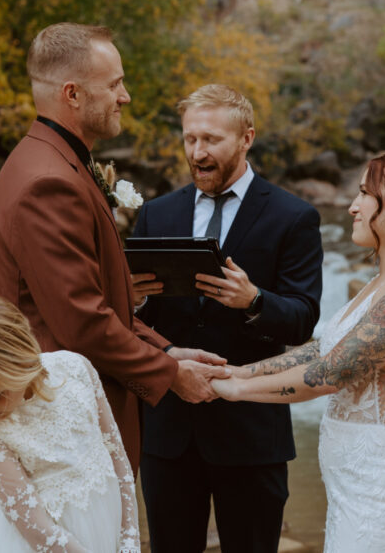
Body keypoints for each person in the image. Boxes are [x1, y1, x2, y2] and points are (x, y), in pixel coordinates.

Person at [0, 22, 227, 473]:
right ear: (72, 94)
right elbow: (81, 321)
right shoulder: (48, 183)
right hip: (63, 417)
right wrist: (170, 374)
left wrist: (165, 350)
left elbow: (98, 302)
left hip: (73, 407)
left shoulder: (55, 160)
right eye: (114, 84)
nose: (125, 96)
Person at [211, 149, 385, 552]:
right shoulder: (382, 283)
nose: (352, 206)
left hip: (380, 493)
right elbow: (321, 353)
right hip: (355, 487)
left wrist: (236, 392)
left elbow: (331, 374)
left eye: (365, 193)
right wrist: (237, 371)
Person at [131, 84, 324, 553]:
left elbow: (303, 320)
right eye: (190, 139)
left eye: (211, 139)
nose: (198, 151)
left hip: (251, 434)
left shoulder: (293, 217)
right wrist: (133, 301)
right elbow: (134, 323)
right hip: (168, 432)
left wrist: (255, 300)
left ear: (246, 138)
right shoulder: (156, 214)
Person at [0, 293, 140, 553]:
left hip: (104, 527)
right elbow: (39, 531)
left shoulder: (76, 369)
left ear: (23, 362)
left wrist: (130, 538)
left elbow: (118, 459)